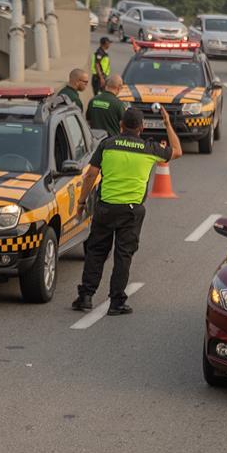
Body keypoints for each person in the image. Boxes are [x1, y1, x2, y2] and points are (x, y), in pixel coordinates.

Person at [72, 106, 182, 315]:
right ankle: (116, 302)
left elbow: (91, 174)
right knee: (124, 256)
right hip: (131, 212)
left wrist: (82, 201)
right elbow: (177, 151)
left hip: (105, 208)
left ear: (121, 125)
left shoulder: (107, 144)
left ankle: (86, 296)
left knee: (96, 252)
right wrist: (167, 124)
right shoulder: (149, 148)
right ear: (142, 127)